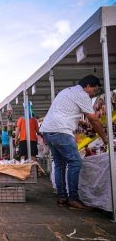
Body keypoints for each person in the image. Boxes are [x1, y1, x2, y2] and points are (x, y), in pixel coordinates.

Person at [40, 75, 107, 211]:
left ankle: (62, 197)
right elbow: (94, 120)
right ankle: (73, 199)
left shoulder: (67, 91)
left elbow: (65, 112)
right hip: (61, 130)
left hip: (47, 130)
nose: (93, 94)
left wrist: (80, 122)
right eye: (94, 90)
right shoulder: (82, 95)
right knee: (75, 162)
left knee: (59, 164)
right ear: (87, 86)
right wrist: (105, 138)